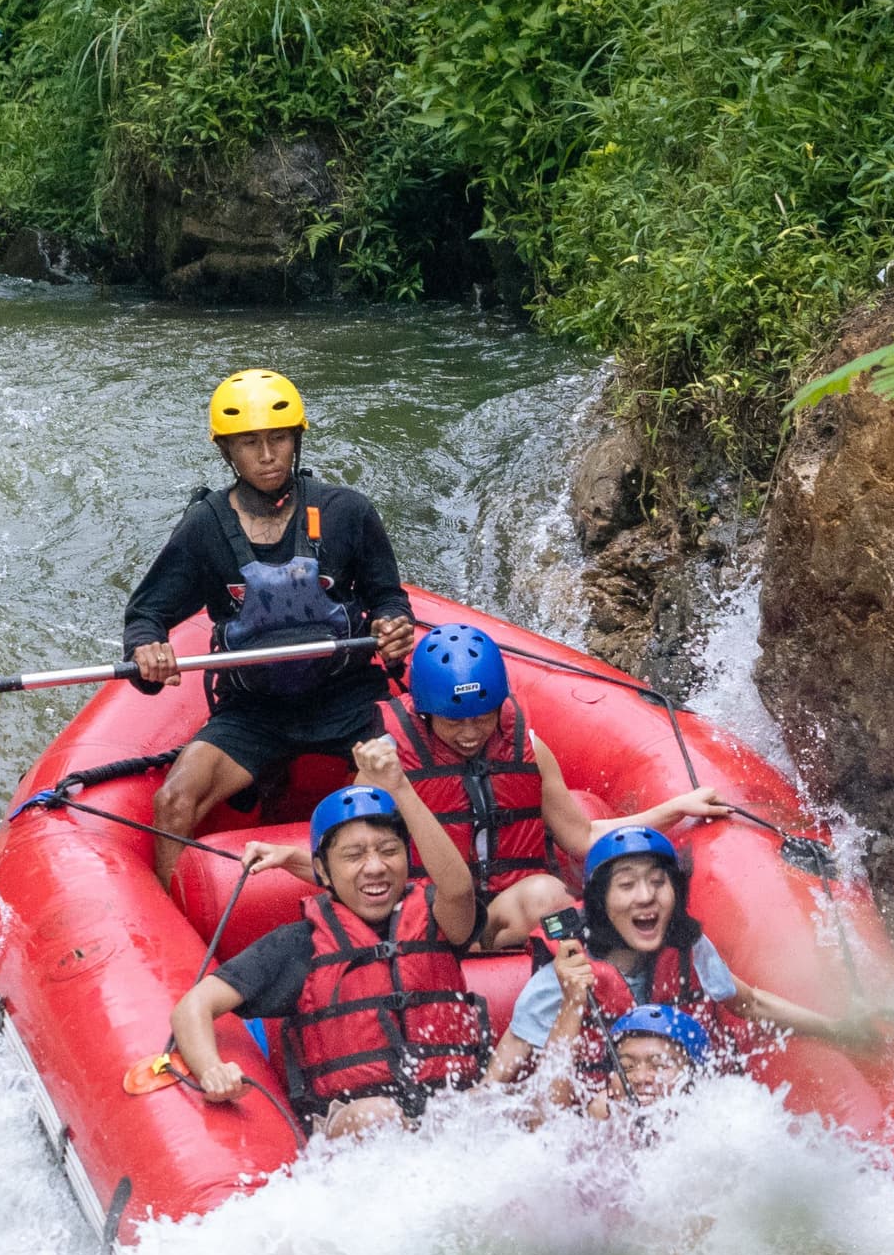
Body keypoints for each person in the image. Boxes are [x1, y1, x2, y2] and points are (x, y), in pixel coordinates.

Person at [122, 368, 419, 887]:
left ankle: (386, 906)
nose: (266, 455)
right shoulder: (205, 527)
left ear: (296, 440)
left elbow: (387, 596)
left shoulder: (345, 511)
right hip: (255, 708)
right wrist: (148, 647)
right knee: (173, 800)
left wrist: (394, 623)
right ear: (227, 452)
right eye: (250, 443)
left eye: (278, 439)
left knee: (382, 796)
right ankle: (179, 926)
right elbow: (148, 613)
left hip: (345, 695)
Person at [263, 621, 726, 950]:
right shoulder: (388, 764)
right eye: (453, 722)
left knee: (548, 891)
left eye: (482, 719)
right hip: (426, 914)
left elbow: (581, 838)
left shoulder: (527, 747)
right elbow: (355, 863)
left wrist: (673, 809)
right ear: (424, 713)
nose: (469, 733)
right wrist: (292, 861)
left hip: (502, 916)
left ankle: (585, 981)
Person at [168, 736, 484, 1142]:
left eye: (389, 851)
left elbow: (458, 889)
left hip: (445, 1110)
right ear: (324, 871)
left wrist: (400, 786)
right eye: (354, 857)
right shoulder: (300, 944)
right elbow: (193, 1006)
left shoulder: (439, 919)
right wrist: (212, 1068)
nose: (375, 867)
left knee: (480, 1106)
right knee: (378, 1115)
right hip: (350, 1119)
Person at [491, 825, 883, 1086]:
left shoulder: (687, 946)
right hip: (599, 1120)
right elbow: (496, 1082)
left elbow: (750, 1002)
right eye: (626, 885)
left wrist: (840, 1030)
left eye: (658, 882)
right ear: (601, 902)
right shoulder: (560, 980)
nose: (646, 896)